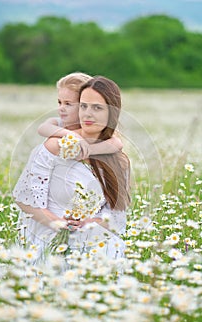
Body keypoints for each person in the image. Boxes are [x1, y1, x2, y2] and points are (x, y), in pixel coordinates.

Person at [13, 75, 130, 262]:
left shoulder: (117, 159)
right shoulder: (54, 146)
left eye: (97, 107)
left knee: (108, 252)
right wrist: (61, 225)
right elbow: (25, 199)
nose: (88, 114)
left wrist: (89, 223)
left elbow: (116, 217)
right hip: (49, 238)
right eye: (83, 106)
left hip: (94, 240)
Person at [37, 72, 123, 159]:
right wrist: (74, 136)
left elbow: (117, 143)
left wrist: (88, 150)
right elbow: (42, 128)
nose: (61, 108)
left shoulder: (91, 128)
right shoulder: (58, 123)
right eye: (59, 102)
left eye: (68, 104)